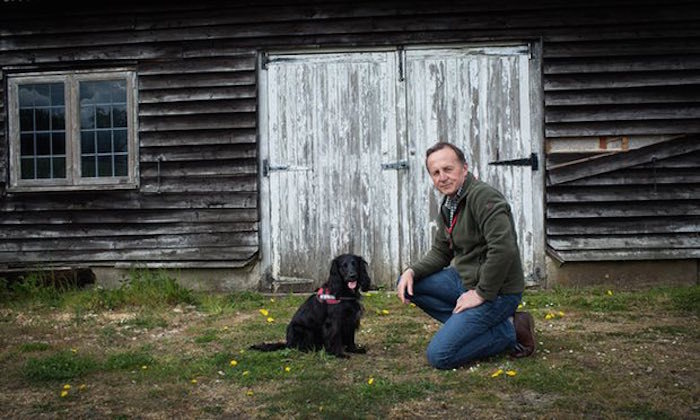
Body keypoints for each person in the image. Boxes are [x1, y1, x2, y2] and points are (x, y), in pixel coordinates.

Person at [397, 141, 536, 369]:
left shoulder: (483, 197)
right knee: (409, 284)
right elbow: (441, 252)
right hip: (464, 280)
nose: (442, 177)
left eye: (448, 169)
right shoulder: (450, 205)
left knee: (440, 356)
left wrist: (481, 294)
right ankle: (473, 327)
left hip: (498, 292)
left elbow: (503, 248)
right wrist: (411, 271)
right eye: (436, 173)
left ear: (464, 168)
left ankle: (510, 330)